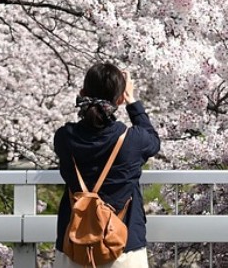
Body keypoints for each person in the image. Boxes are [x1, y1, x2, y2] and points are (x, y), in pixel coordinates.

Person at [54, 61, 161, 268]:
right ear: (119, 99)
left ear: (82, 92)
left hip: (74, 247)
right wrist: (132, 102)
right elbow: (153, 141)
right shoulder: (132, 140)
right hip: (124, 247)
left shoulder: (64, 138)